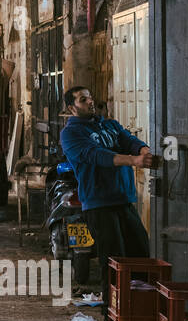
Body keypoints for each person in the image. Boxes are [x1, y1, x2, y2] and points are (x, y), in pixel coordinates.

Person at [59, 86, 157, 284]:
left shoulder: (109, 125)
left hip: (124, 199)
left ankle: (137, 309)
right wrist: (133, 161)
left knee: (141, 255)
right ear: (72, 108)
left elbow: (128, 140)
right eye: (83, 100)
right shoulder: (71, 134)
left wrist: (144, 149)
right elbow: (96, 155)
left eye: (90, 97)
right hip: (99, 204)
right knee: (114, 262)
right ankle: (110, 312)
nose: (90, 102)